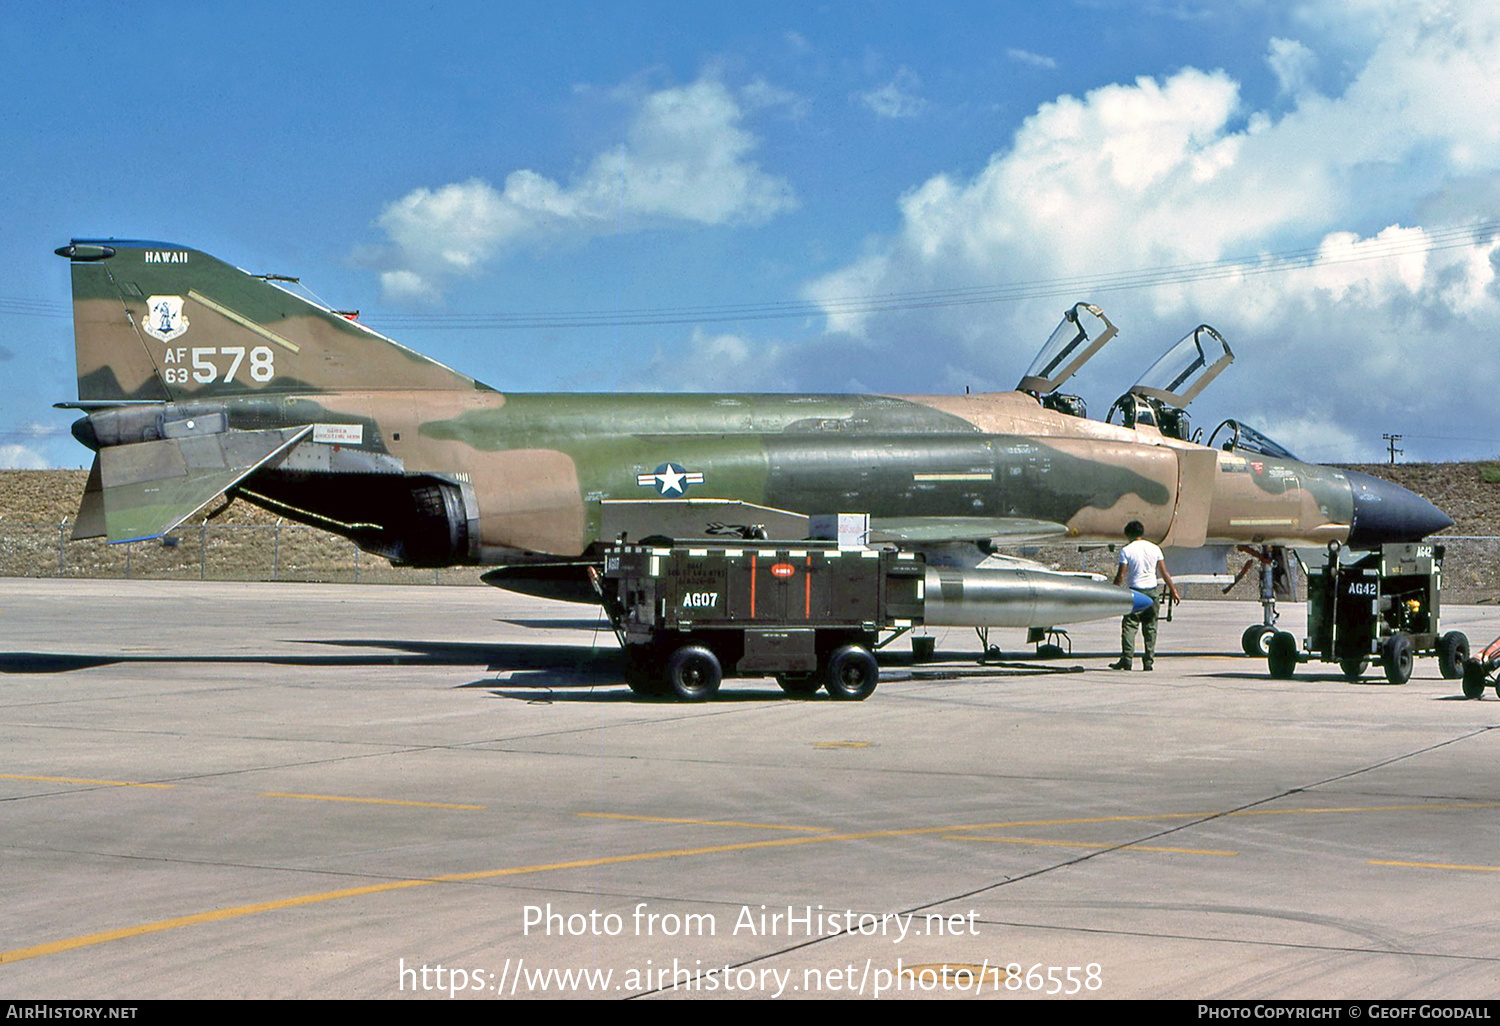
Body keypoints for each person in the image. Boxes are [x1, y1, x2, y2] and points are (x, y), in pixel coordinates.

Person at [1110, 520, 1181, 671]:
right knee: (1150, 627)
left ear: (1128, 534)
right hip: (1152, 592)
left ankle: (1127, 659)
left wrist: (1113, 592)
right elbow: (1164, 572)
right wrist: (1173, 590)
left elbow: (1121, 575)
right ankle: (1148, 661)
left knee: (1129, 626)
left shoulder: (1127, 550)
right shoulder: (1155, 548)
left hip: (1135, 593)